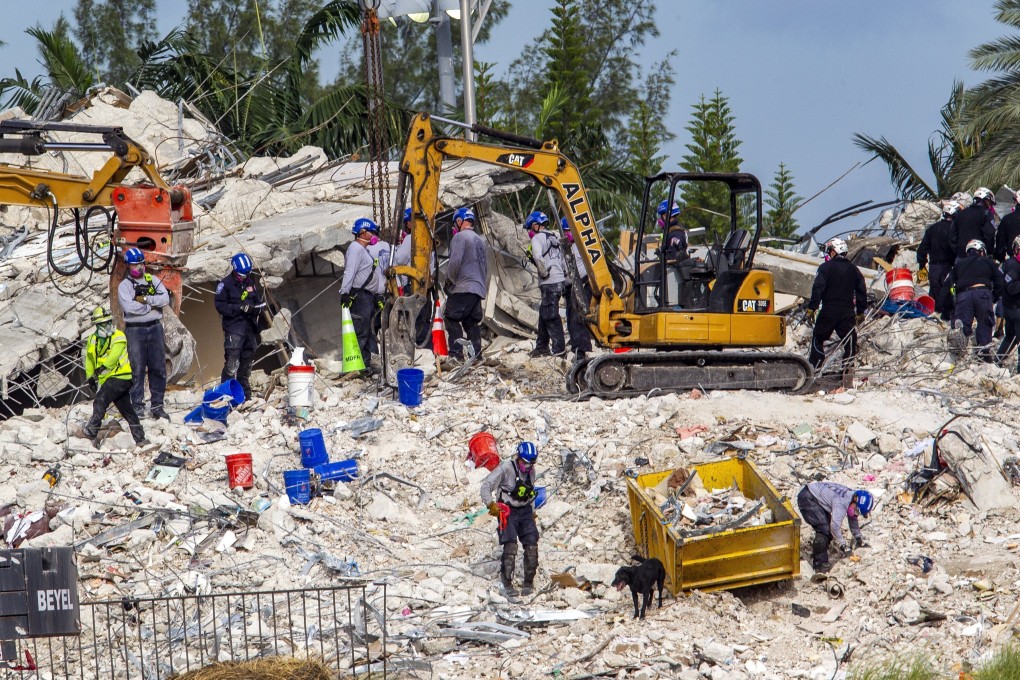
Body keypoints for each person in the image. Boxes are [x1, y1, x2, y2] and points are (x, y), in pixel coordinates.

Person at [480, 441, 541, 596]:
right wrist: (491, 504)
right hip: (508, 510)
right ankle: (507, 582)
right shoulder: (506, 468)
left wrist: (532, 512)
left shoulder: (531, 472)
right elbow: (486, 486)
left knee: (532, 545)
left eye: (530, 464)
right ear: (518, 458)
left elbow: (531, 492)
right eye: (525, 463)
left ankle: (528, 582)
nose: (527, 467)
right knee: (511, 546)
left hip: (525, 510)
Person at [81, 306, 147, 446]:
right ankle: (140, 438)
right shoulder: (93, 339)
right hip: (107, 379)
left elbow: (114, 356)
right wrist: (90, 377)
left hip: (121, 377)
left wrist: (103, 367)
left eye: (107, 322)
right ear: (97, 326)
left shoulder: (119, 336)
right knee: (127, 410)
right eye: (102, 324)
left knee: (100, 400)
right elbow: (90, 359)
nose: (106, 326)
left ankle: (91, 431)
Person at [117, 247, 170, 420]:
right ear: (128, 266)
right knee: (136, 369)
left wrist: (147, 300)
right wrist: (150, 307)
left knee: (158, 368)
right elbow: (129, 308)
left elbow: (165, 299)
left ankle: (157, 406)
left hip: (154, 327)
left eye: (140, 264)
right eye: (135, 265)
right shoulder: (124, 286)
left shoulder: (152, 280)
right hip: (135, 331)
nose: (139, 268)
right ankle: (137, 406)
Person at [805, 237, 868, 378]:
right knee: (850, 341)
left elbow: (818, 289)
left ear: (834, 251)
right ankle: (847, 370)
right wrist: (860, 311)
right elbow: (861, 291)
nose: (829, 253)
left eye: (830, 251)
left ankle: (814, 369)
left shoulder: (825, 268)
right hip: (847, 312)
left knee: (818, 339)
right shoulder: (854, 270)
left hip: (829, 310)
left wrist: (812, 308)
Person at [214, 253, 264, 399]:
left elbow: (258, 302)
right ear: (235, 271)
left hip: (249, 327)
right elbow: (220, 306)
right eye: (242, 275)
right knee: (232, 362)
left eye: (247, 274)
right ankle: (225, 395)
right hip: (234, 327)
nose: (245, 277)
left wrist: (254, 308)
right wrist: (239, 308)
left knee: (247, 362)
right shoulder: (225, 285)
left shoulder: (250, 282)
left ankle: (245, 396)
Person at [339, 218, 386, 371]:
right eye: (372, 232)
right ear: (363, 232)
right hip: (361, 298)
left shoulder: (363, 250)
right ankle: (356, 366)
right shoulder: (355, 249)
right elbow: (350, 271)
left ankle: (370, 364)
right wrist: (345, 292)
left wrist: (378, 294)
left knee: (368, 331)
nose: (374, 235)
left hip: (368, 297)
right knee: (361, 332)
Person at [796, 482, 873, 572]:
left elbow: (853, 518)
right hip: (807, 498)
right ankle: (820, 565)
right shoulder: (841, 503)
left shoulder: (852, 497)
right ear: (855, 499)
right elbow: (835, 527)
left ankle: (823, 549)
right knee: (823, 529)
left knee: (827, 528)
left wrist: (858, 537)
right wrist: (843, 545)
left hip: (815, 496)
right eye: (857, 510)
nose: (856, 512)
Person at [445, 207, 488, 361]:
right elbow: (485, 267)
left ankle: (456, 354)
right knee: (471, 323)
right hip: (477, 289)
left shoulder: (460, 237)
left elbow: (454, 262)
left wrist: (449, 281)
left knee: (451, 318)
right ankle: (475, 355)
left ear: (459, 221)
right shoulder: (480, 240)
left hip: (463, 287)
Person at [949, 239, 1004, 361]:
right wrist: (994, 296)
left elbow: (949, 285)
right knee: (985, 323)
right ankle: (984, 354)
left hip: (963, 295)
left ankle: (959, 353)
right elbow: (1000, 281)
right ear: (981, 251)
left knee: (963, 324)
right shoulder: (989, 262)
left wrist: (948, 305)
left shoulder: (959, 264)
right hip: (983, 294)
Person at [526, 211, 567, 357]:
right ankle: (542, 346)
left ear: (536, 225)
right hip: (559, 280)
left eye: (531, 227)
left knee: (551, 315)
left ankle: (560, 350)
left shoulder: (537, 238)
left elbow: (538, 257)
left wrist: (543, 273)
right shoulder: (554, 237)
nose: (530, 231)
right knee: (544, 313)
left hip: (549, 281)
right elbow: (562, 259)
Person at [393, 207, 435, 347]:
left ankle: (416, 351)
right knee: (425, 321)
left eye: (406, 223)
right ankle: (428, 351)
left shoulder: (411, 238)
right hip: (427, 288)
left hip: (413, 287)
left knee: (412, 321)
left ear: (410, 223)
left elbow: (399, 259)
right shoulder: (428, 238)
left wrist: (399, 247)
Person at [917, 201, 959, 321]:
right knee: (950, 294)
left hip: (934, 268)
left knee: (935, 294)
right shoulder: (954, 229)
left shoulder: (931, 229)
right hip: (948, 267)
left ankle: (934, 320)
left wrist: (922, 266)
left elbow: (921, 250)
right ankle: (948, 318)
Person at [561, 217, 593, 360]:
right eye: (565, 230)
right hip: (570, 286)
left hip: (582, 284)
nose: (567, 233)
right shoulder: (566, 247)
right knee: (570, 317)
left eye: (569, 230)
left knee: (577, 317)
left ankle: (582, 348)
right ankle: (576, 345)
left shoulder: (581, 247)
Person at [951, 188, 997, 260]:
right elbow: (990, 236)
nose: (990, 206)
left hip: (961, 257)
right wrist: (990, 252)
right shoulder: (986, 214)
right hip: (979, 257)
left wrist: (958, 251)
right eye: (990, 202)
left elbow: (952, 237)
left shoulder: (960, 214)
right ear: (986, 199)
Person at [997, 235, 1020, 370]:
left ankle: (998, 361)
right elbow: (1011, 288)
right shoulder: (1012, 265)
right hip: (1014, 308)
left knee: (1010, 337)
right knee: (1012, 337)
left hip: (1011, 308)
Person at [995, 191, 1020, 262]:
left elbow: (1000, 240)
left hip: (1013, 260)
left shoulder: (1007, 219)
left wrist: (1000, 259)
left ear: (1016, 201)